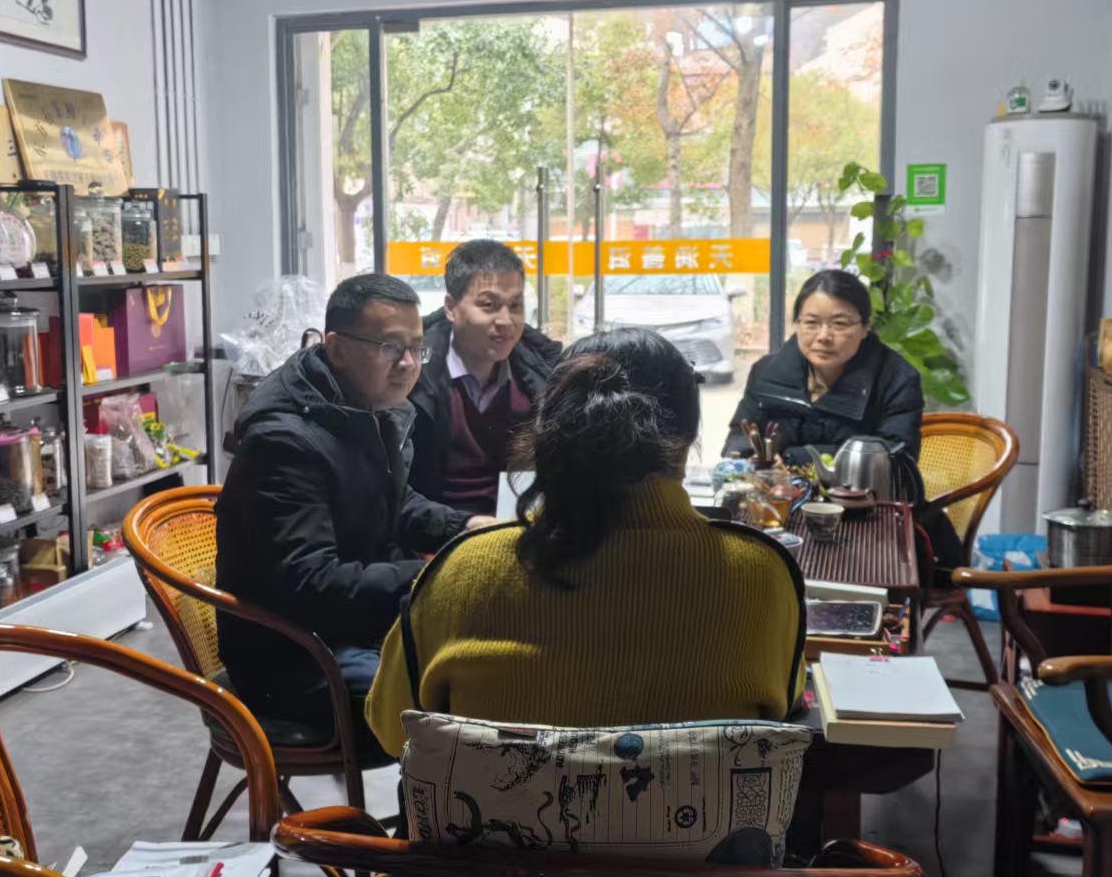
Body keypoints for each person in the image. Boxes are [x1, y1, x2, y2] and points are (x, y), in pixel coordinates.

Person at [366, 327, 807, 753]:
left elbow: (391, 729)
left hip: (487, 810)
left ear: (550, 430)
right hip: (701, 810)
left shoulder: (461, 572)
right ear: (689, 436)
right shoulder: (761, 574)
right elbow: (781, 707)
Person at [215, 273, 491, 756]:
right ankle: (437, 805)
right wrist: (436, 574)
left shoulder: (360, 406)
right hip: (295, 657)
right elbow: (312, 583)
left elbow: (391, 501)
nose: (408, 364)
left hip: (349, 627)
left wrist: (465, 529)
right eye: (390, 348)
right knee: (456, 695)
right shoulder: (285, 442)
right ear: (338, 349)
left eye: (416, 348)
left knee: (487, 661)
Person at [408, 240, 562, 515]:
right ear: (450, 307)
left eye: (515, 305)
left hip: (520, 526)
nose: (506, 321)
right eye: (488, 305)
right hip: (433, 529)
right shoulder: (409, 371)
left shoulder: (543, 370)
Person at [724, 269, 923, 466]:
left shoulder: (897, 380)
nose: (824, 336)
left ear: (865, 327)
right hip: (772, 486)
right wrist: (755, 456)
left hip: (860, 487)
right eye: (812, 323)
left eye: (840, 324)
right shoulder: (766, 372)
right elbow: (738, 438)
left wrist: (793, 458)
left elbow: (897, 456)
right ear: (797, 324)